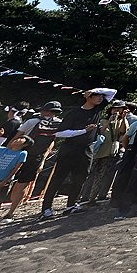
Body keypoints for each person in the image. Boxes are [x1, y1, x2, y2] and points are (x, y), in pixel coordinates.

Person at [40, 88, 114, 219]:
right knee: (58, 178)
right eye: (97, 96)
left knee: (80, 178)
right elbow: (59, 133)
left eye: (101, 97)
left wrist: (95, 90)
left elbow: (113, 92)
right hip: (70, 148)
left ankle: (71, 205)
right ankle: (46, 209)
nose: (100, 98)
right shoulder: (74, 112)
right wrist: (83, 131)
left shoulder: (98, 109)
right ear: (88, 97)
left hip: (87, 149)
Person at [8, 102, 63, 215]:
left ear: (46, 111)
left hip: (18, 153)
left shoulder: (32, 121)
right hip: (36, 157)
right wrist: (42, 160)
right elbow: (50, 144)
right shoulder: (58, 125)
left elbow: (16, 137)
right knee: (23, 184)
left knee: (8, 181)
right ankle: (11, 212)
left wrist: (7, 150)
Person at [80, 100, 130, 204]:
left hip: (110, 152)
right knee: (91, 173)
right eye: (115, 109)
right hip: (98, 151)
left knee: (102, 175)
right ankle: (83, 196)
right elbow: (100, 132)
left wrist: (124, 118)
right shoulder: (102, 120)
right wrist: (109, 121)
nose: (117, 111)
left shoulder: (122, 121)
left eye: (120, 109)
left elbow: (123, 132)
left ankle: (93, 197)